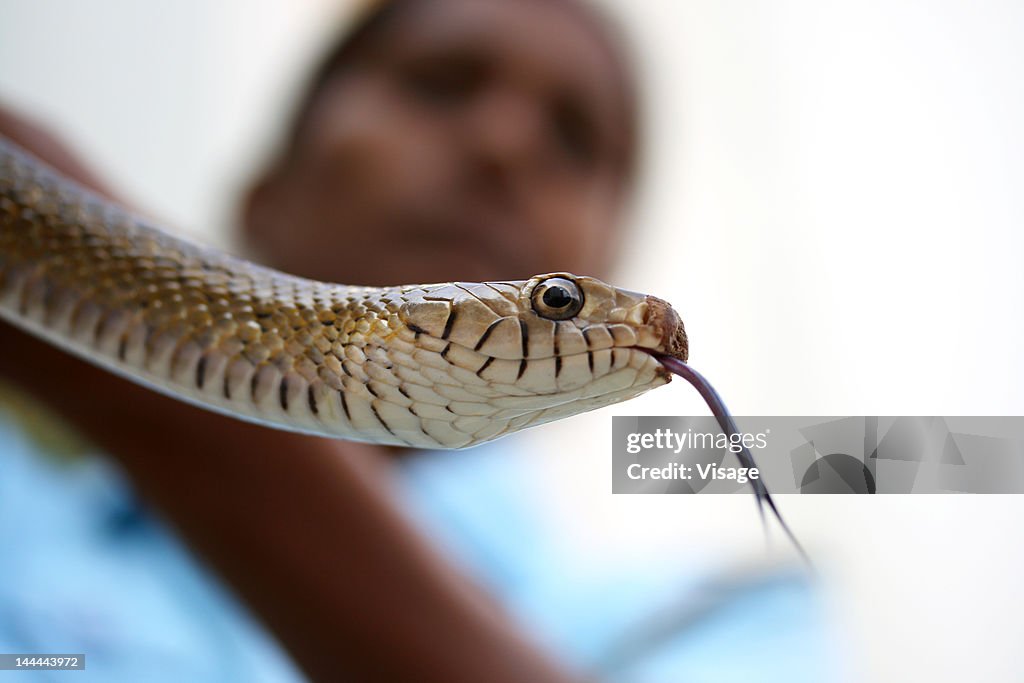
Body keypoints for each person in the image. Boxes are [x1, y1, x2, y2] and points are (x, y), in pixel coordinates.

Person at [0, 1, 829, 681]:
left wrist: (166, 417)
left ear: (608, 246)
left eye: (575, 138)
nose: (504, 146)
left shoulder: (713, 614)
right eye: (438, 85)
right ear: (266, 191)